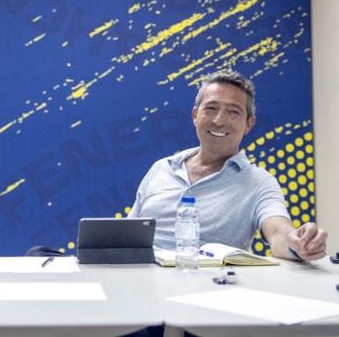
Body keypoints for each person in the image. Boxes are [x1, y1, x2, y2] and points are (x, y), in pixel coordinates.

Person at [128, 70, 327, 260]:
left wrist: (297, 243)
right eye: (211, 109)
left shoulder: (259, 182)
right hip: (142, 279)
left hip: (210, 282)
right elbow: (125, 237)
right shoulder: (161, 168)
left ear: (248, 125)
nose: (219, 121)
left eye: (233, 112)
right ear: (195, 116)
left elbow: (277, 231)